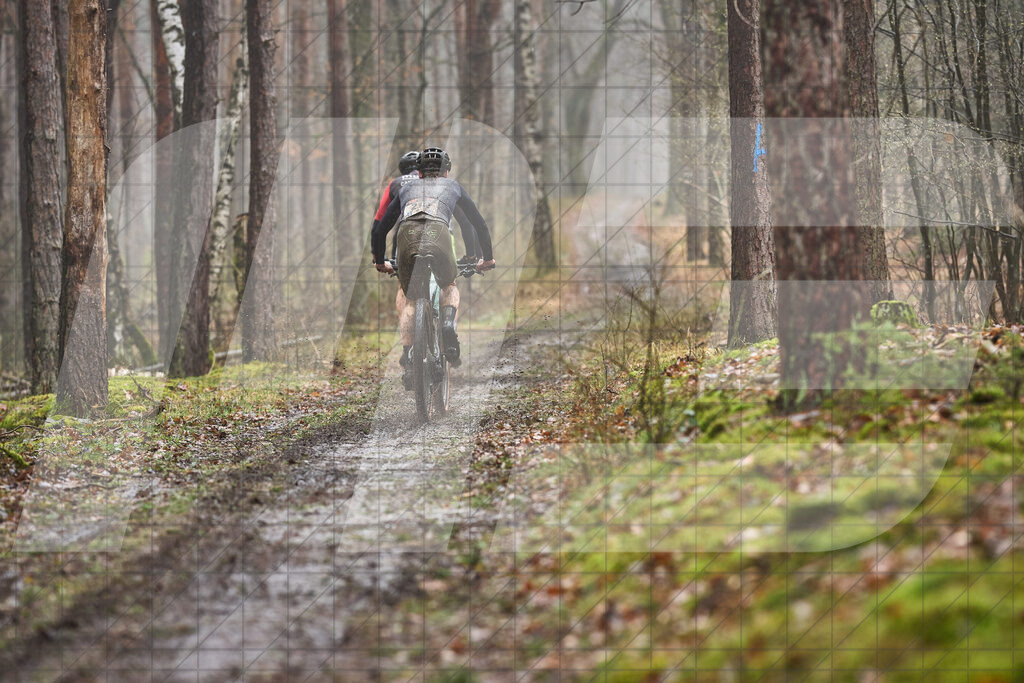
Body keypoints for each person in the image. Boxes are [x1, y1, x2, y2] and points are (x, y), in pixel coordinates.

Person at [371, 147, 495, 385]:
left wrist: (379, 260)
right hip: (440, 233)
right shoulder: (453, 186)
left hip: (406, 236)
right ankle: (448, 323)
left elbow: (381, 227)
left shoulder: (406, 187)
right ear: (446, 171)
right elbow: (477, 223)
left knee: (409, 299)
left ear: (419, 172)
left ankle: (409, 353)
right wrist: (485, 258)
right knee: (449, 284)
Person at [371, 150, 479, 262]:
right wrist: (472, 255)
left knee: (402, 269)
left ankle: (399, 267)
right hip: (442, 233)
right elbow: (465, 221)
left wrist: (376, 255)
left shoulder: (395, 184)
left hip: (408, 234)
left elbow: (379, 221)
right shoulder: (446, 186)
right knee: (448, 276)